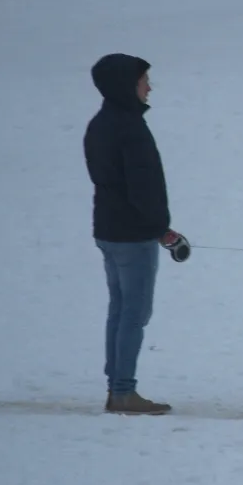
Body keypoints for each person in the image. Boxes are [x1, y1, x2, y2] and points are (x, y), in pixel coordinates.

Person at [83, 53, 188, 415]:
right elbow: (142, 188)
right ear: (126, 85)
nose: (149, 86)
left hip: (110, 230)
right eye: (144, 80)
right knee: (133, 313)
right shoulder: (129, 128)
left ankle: (118, 387)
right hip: (132, 236)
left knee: (121, 310)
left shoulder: (101, 124)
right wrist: (162, 230)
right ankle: (123, 391)